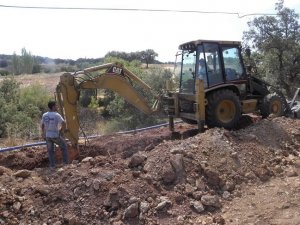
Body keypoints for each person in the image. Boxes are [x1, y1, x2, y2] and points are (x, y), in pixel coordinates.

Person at [41, 100, 69, 168]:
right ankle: (65, 163)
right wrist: (61, 130)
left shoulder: (44, 115)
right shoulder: (56, 115)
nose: (57, 107)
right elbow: (64, 123)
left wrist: (43, 134)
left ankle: (52, 166)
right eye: (56, 105)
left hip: (48, 135)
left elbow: (42, 125)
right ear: (53, 107)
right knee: (64, 146)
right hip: (55, 135)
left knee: (50, 151)